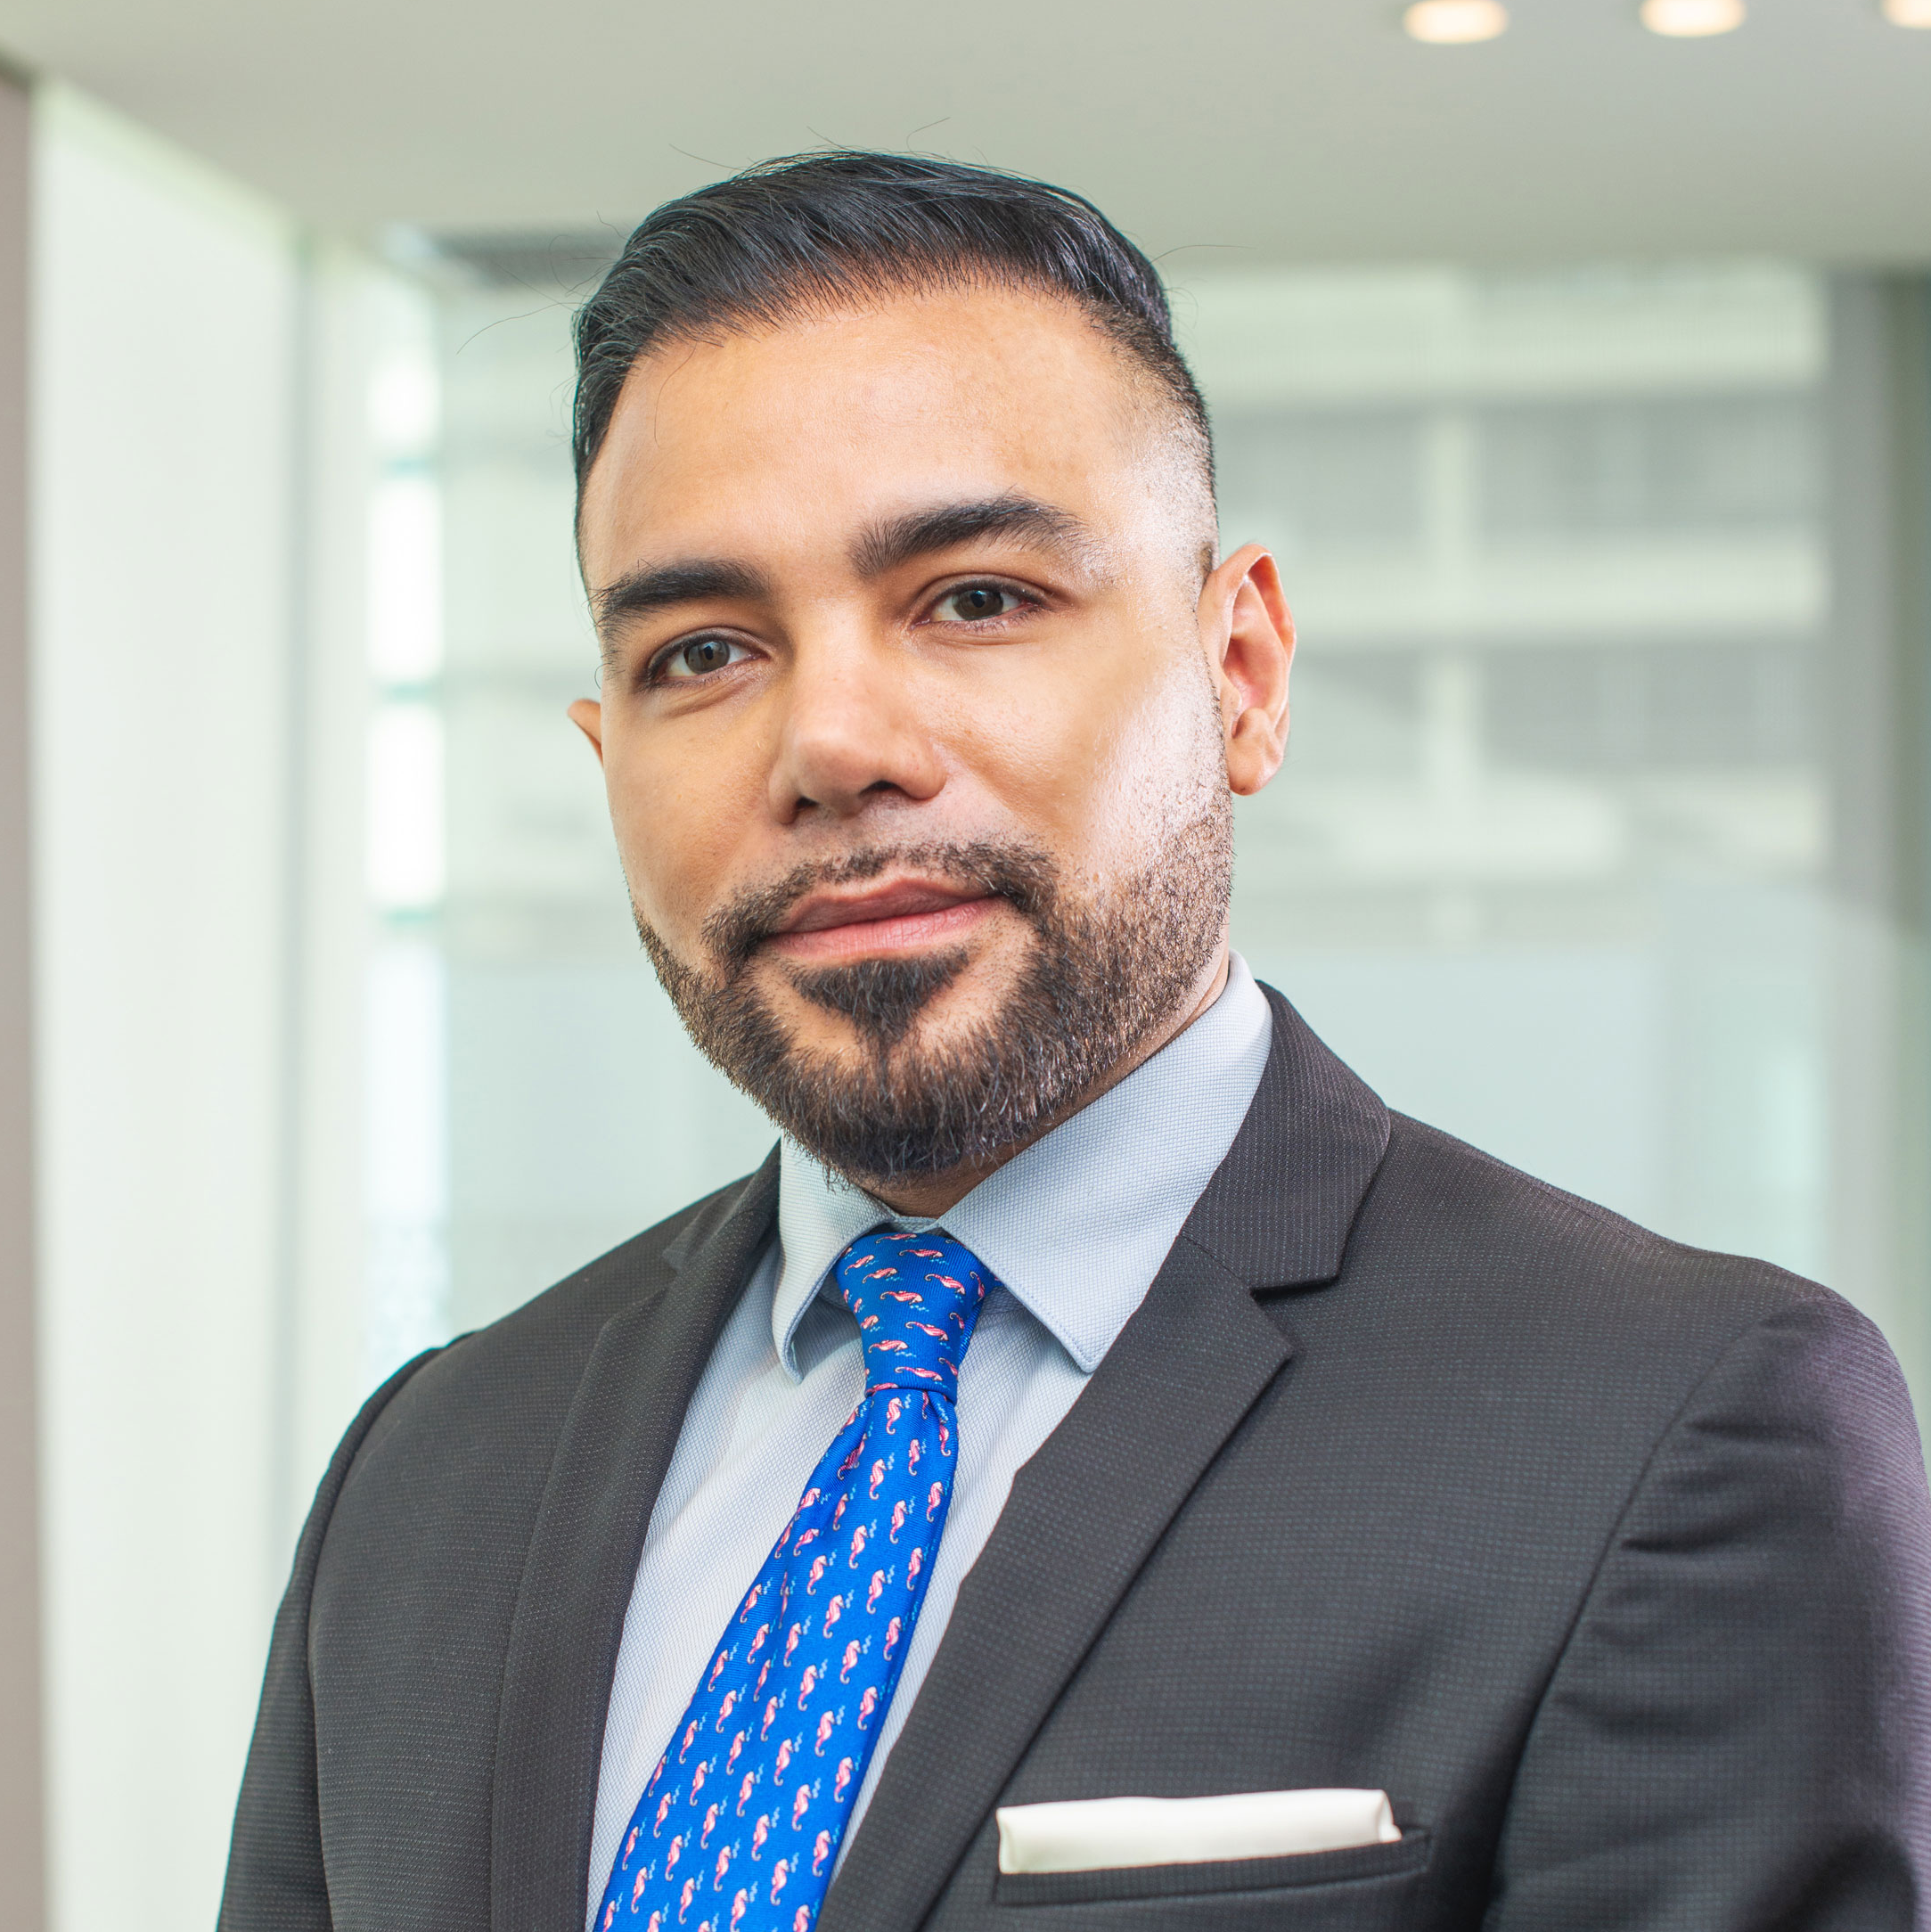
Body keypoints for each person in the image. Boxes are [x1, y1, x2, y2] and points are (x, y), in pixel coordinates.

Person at [220, 153, 1931, 1932]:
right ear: (606, 759)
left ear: (1240, 672)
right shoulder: (429, 1472)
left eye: (975, 598)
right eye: (705, 651)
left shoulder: (1670, 1425)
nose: (832, 744)